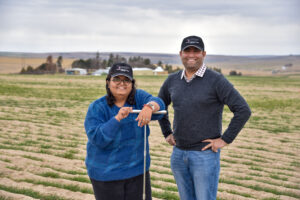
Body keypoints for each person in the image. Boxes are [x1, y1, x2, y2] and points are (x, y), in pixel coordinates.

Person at [158, 35, 251, 200]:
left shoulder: (216, 80)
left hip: (205, 155)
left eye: (196, 51)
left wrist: (224, 140)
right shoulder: (172, 80)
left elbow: (243, 110)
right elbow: (160, 105)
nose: (191, 55)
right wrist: (166, 132)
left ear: (204, 54)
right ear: (181, 54)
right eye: (187, 51)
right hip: (178, 154)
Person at [84, 63, 165, 200]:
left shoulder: (139, 99)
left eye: (126, 80)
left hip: (137, 171)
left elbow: (159, 105)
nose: (122, 83)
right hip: (106, 174)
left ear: (132, 84)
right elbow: (98, 139)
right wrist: (117, 118)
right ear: (108, 82)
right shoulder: (97, 107)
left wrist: (149, 107)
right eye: (116, 79)